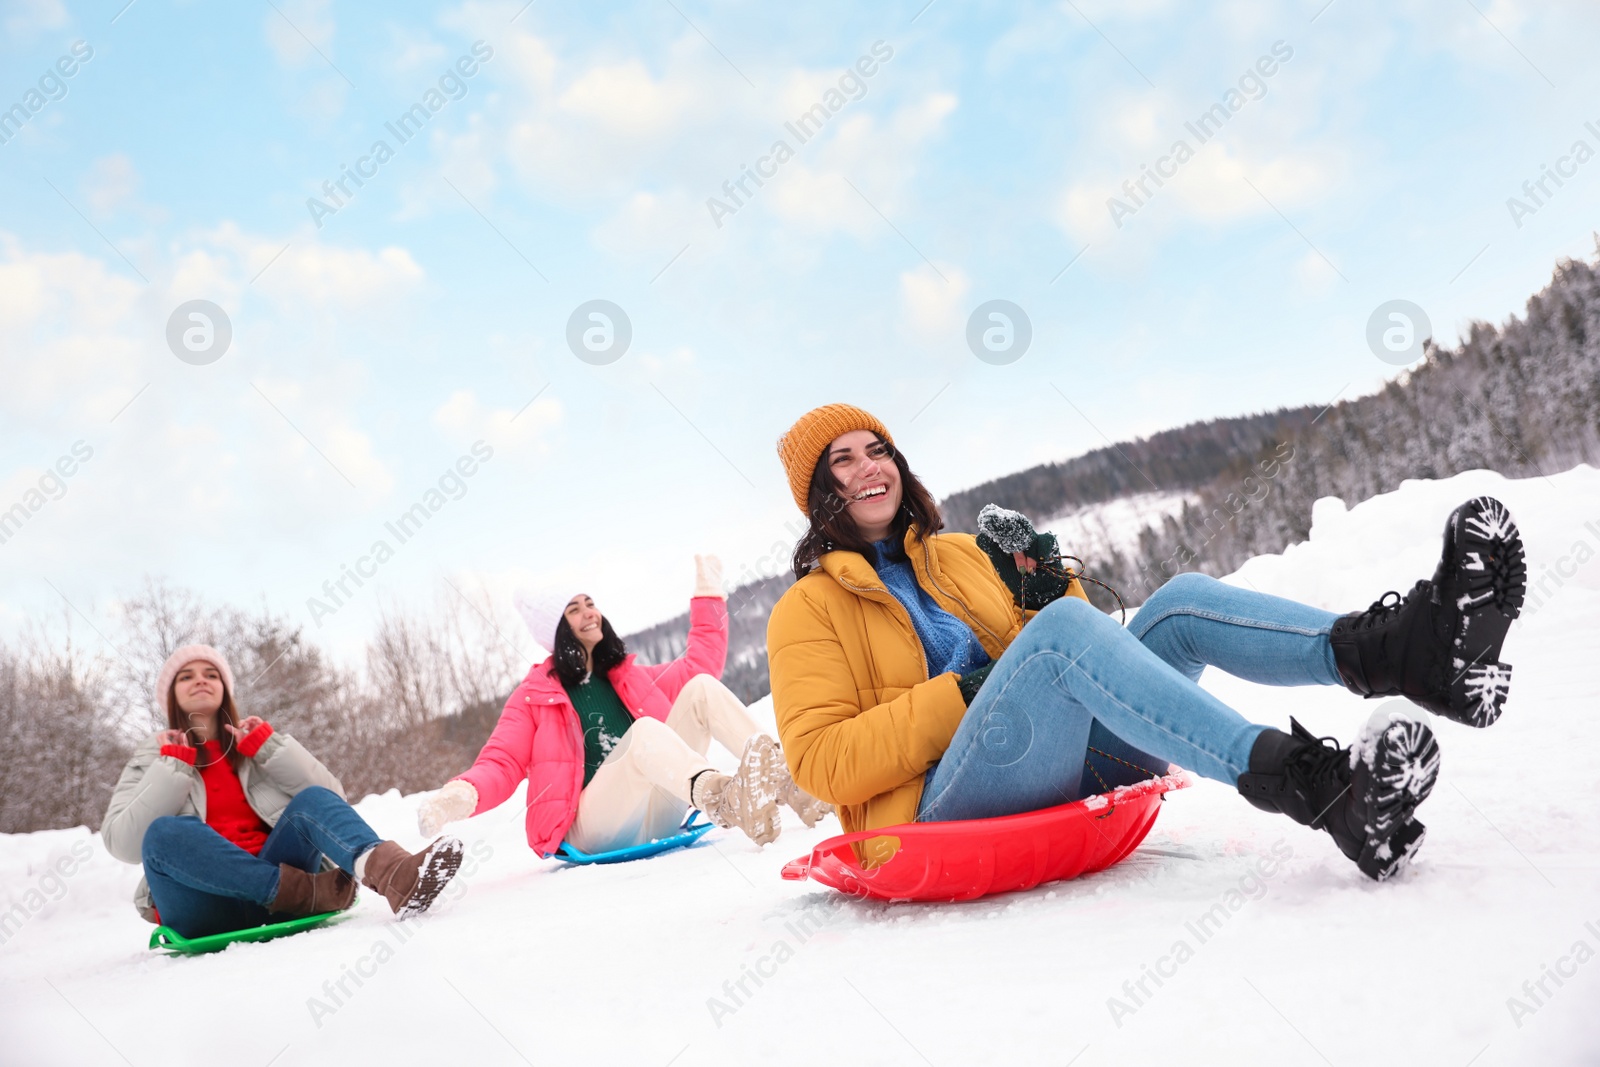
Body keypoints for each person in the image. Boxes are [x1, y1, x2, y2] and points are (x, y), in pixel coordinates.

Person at [766, 404, 1526, 880]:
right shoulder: (807, 611)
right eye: (845, 458)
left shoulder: (958, 552)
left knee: (1180, 603)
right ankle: (1322, 786)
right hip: (935, 812)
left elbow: (1056, 654)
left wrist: (1046, 590)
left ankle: (1399, 652)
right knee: (1064, 633)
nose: (871, 466)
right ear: (819, 492)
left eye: (880, 449)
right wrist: (961, 694)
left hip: (1039, 764)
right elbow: (823, 763)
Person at [418, 555, 830, 852]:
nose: (589, 614)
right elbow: (501, 763)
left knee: (701, 687)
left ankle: (792, 785)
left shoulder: (626, 676)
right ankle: (725, 798)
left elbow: (701, 663)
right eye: (574, 610)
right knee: (645, 733)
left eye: (590, 603)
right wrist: (460, 795)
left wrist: (707, 594)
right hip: (590, 826)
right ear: (556, 630)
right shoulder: (535, 696)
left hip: (652, 809)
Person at [101, 645, 465, 938]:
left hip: (283, 884)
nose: (201, 681)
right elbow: (124, 842)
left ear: (225, 688)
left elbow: (329, 799)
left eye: (211, 674)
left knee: (311, 801)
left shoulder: (253, 745)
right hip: (203, 905)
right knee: (166, 833)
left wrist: (269, 749)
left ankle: (395, 877)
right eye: (187, 676)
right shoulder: (154, 755)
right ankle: (303, 893)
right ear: (172, 695)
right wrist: (173, 766)